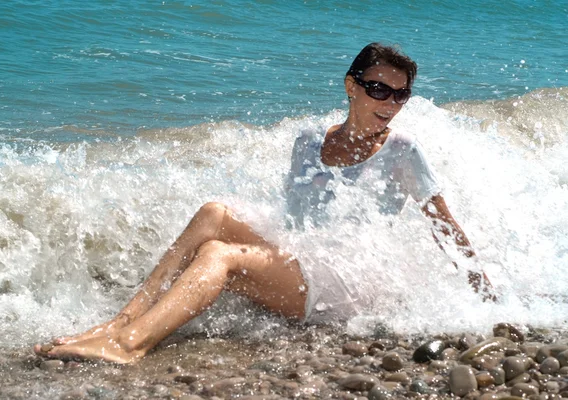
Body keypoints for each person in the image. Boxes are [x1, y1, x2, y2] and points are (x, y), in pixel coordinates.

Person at [35, 43, 493, 364]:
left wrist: (486, 297)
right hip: (305, 258)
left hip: (349, 281)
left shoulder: (404, 150)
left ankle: (130, 346)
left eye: (401, 94)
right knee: (214, 213)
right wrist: (269, 258)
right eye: (379, 89)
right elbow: (295, 220)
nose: (390, 103)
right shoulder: (309, 141)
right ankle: (118, 323)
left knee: (220, 255)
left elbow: (444, 226)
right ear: (351, 86)